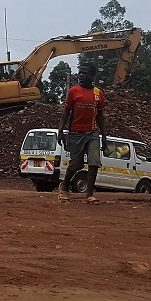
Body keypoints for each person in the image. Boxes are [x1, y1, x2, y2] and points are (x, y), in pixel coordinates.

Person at [57, 62, 106, 203]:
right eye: (80, 72)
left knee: (94, 161)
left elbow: (100, 117)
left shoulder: (98, 94)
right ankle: (64, 186)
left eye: (84, 73)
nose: (80, 75)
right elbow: (66, 112)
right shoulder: (73, 91)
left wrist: (104, 136)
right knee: (76, 165)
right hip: (75, 133)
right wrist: (61, 131)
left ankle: (89, 194)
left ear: (92, 75)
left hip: (92, 133)